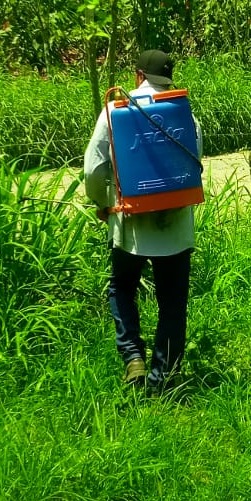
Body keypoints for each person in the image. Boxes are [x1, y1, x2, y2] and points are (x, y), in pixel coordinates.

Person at [83, 49, 202, 393]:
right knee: (172, 304)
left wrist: (103, 204)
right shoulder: (186, 114)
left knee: (122, 287)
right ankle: (161, 380)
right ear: (169, 78)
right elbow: (194, 163)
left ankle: (133, 356)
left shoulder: (115, 111)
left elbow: (94, 169)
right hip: (175, 228)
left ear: (138, 76)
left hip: (130, 224)